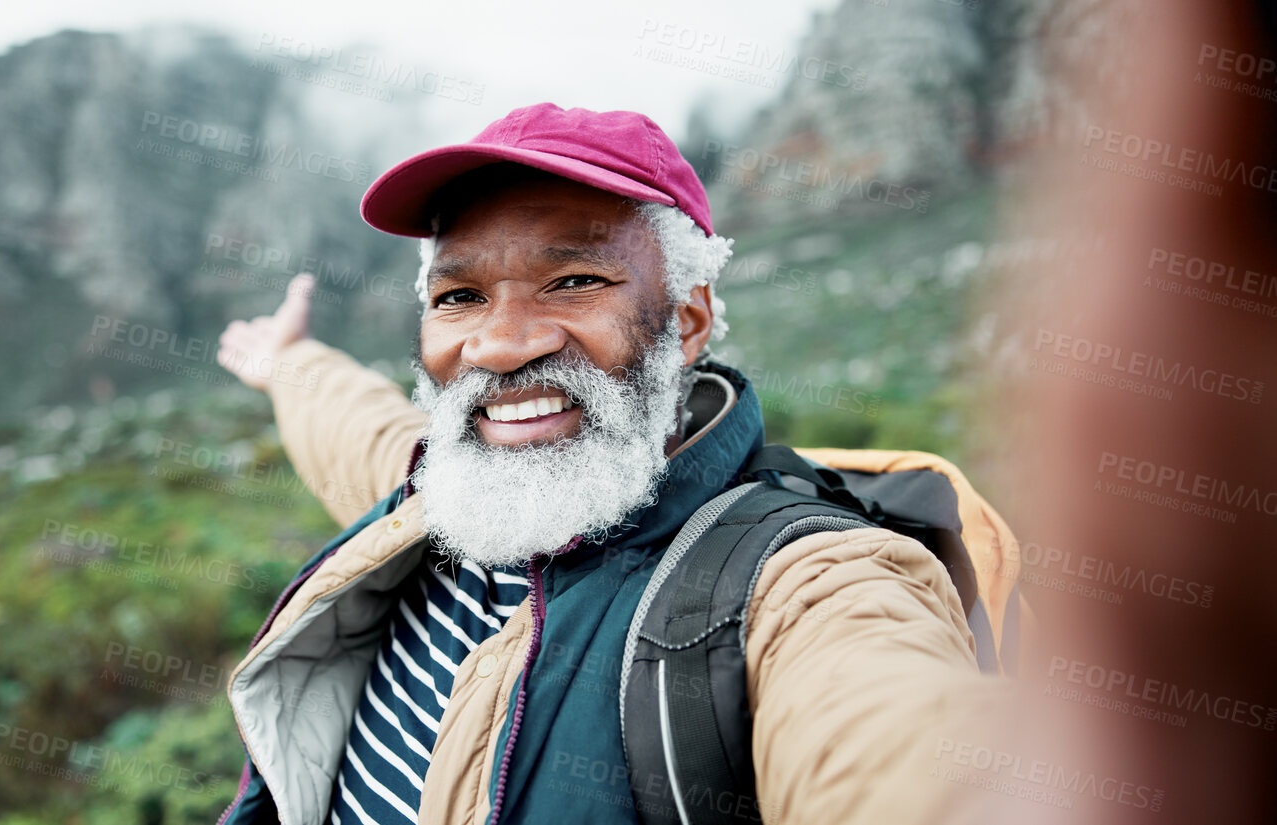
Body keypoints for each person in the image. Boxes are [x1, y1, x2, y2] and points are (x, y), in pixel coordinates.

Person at [212, 102, 998, 825]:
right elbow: (356, 426)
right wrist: (286, 361)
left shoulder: (802, 583)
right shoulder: (438, 490)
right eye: (459, 296)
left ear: (686, 322)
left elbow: (891, 735)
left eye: (575, 281)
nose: (500, 344)